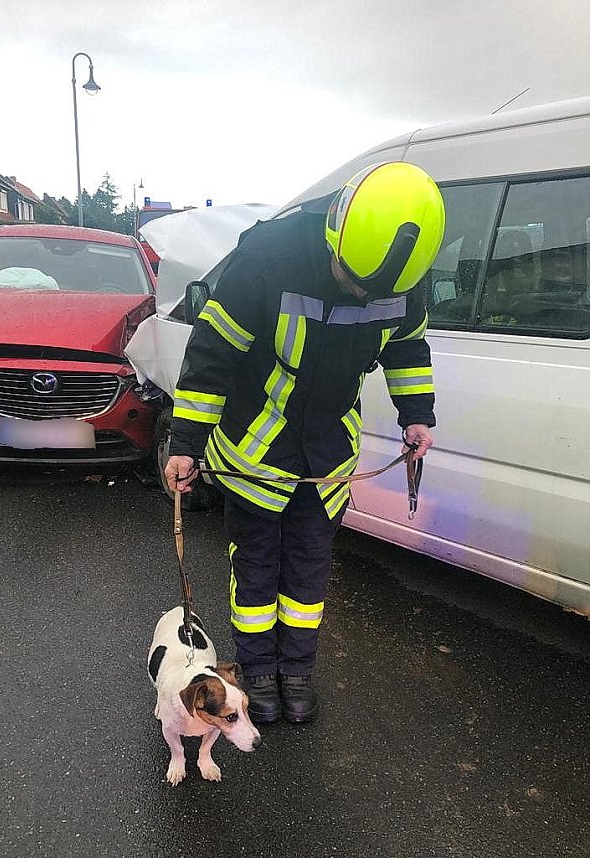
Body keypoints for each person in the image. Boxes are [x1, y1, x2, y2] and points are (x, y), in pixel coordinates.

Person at [165, 162, 445, 724]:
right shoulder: (266, 261)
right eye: (352, 281)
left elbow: (408, 349)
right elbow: (211, 357)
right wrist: (185, 443)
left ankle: (296, 672)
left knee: (309, 573)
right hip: (254, 450)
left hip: (327, 456)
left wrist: (417, 414)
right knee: (257, 569)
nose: (362, 295)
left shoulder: (405, 283)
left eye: (373, 293)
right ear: (336, 231)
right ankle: (257, 673)